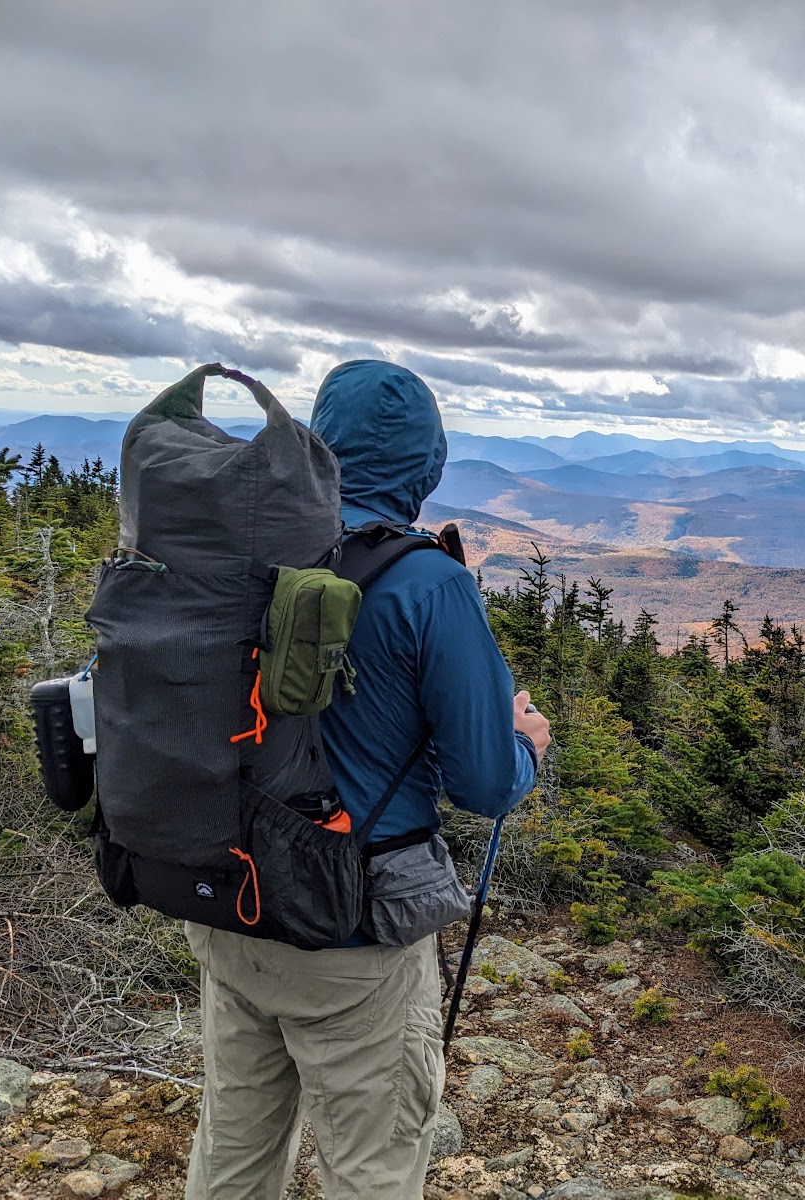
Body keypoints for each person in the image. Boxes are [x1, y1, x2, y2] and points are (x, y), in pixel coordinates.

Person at [184, 360, 551, 1199]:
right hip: (350, 936)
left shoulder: (242, 550)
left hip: (229, 906)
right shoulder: (428, 582)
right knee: (372, 1173)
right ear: (427, 462)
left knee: (234, 1152)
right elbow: (486, 785)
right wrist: (525, 739)